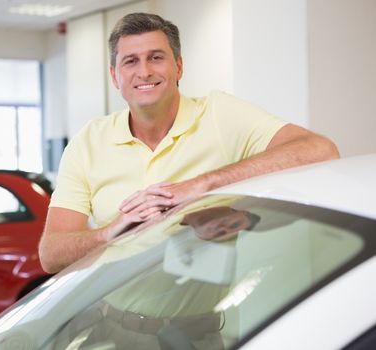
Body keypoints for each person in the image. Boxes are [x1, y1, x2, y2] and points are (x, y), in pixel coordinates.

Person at [39, 12, 339, 274]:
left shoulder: (220, 113)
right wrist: (110, 233)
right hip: (110, 325)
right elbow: (51, 255)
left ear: (179, 67)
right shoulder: (88, 141)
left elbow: (320, 150)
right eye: (131, 61)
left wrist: (202, 186)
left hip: (205, 330)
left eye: (156, 57)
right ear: (115, 77)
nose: (144, 71)